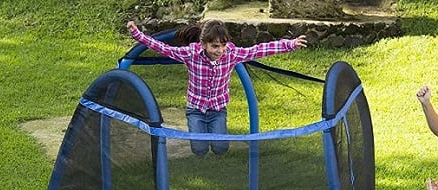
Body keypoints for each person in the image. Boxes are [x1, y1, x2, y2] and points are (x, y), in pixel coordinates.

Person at [127, 20, 307, 156]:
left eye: (222, 45)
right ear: (203, 44)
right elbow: (162, 48)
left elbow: (259, 49)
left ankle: (212, 134)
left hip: (218, 110)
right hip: (195, 110)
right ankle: (198, 134)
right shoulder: (191, 54)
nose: (219, 50)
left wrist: (289, 44)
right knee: (199, 150)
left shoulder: (231, 54)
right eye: (214, 46)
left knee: (221, 149)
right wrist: (137, 35)